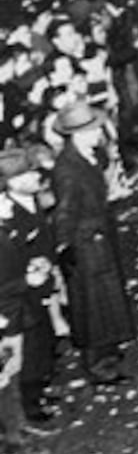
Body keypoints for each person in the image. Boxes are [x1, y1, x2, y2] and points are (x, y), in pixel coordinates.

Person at [51, 100, 137, 386]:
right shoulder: (67, 169)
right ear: (75, 134)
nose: (97, 133)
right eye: (91, 130)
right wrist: (64, 246)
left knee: (106, 295)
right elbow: (64, 211)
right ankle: (97, 363)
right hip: (85, 242)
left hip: (100, 233)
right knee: (91, 300)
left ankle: (109, 351)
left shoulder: (89, 155)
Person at [0, 145, 62, 433]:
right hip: (18, 300)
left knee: (42, 345)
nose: (35, 178)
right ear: (9, 183)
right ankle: (30, 410)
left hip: (37, 291)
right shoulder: (7, 220)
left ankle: (38, 392)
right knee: (29, 354)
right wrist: (30, 279)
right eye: (25, 175)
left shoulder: (31, 201)